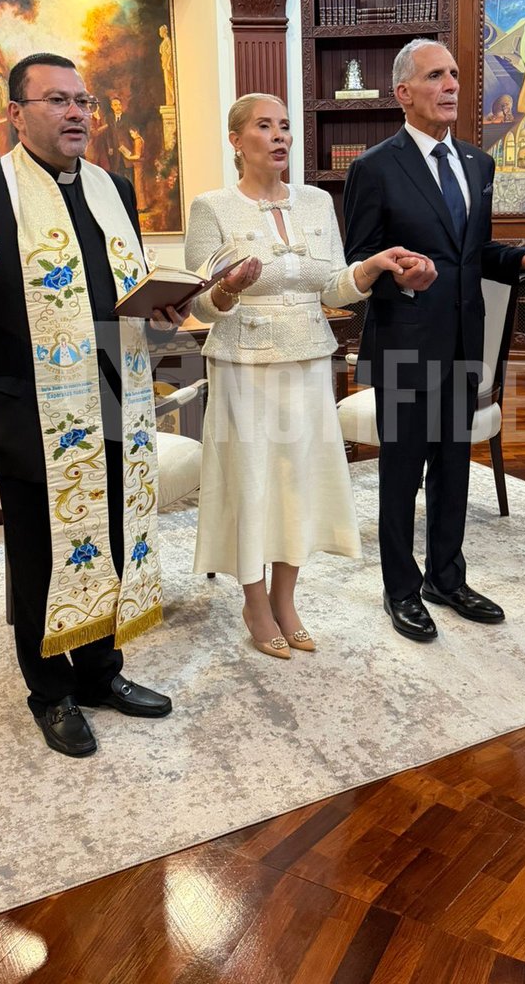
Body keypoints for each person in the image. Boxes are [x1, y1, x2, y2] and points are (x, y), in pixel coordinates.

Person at [0, 52, 185, 757]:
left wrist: (165, 304)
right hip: (32, 409)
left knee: (112, 543)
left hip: (114, 396)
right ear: (16, 113)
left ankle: (98, 673)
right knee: (41, 556)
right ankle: (49, 690)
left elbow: (121, 290)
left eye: (83, 101)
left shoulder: (112, 187)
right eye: (57, 100)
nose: (76, 114)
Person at [344, 39, 525, 642]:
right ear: (403, 93)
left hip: (460, 342)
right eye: (435, 76)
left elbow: (472, 254)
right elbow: (359, 263)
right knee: (401, 474)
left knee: (453, 467)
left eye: (454, 74)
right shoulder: (374, 167)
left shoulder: (478, 163)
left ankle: (446, 577)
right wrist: (400, 273)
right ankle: (402, 588)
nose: (451, 85)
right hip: (402, 341)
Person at [184, 93, 423, 658]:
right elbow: (201, 307)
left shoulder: (317, 202)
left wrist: (370, 268)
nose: (280, 136)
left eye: (285, 127)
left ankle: (286, 597)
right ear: (236, 140)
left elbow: (333, 287)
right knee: (252, 481)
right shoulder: (212, 207)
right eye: (264, 127)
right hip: (244, 367)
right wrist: (229, 287)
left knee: (298, 481)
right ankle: (253, 598)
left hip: (312, 361)